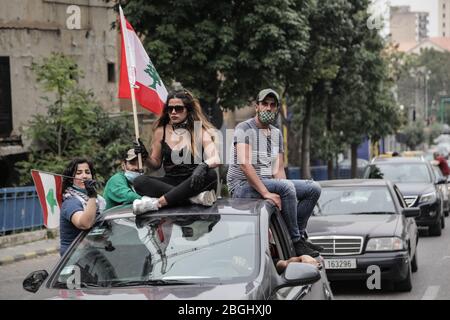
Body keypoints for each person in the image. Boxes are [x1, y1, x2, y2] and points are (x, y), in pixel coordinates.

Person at [227, 88, 322, 257]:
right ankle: (294, 242)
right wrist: (267, 193)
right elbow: (244, 164)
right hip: (242, 186)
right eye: (264, 104)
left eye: (272, 105)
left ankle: (297, 235)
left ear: (277, 109)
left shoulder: (276, 133)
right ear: (257, 106)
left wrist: (282, 189)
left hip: (264, 181)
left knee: (313, 188)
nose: (268, 108)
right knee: (286, 187)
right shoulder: (244, 127)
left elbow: (278, 170)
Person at [132, 89, 220, 214]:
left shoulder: (199, 130)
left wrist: (203, 166)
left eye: (178, 108)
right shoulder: (160, 131)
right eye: (170, 108)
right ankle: (192, 199)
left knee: (211, 174)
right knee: (139, 182)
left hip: (194, 181)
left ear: (187, 110)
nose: (173, 112)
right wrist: (145, 156)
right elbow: (155, 165)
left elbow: (216, 158)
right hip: (171, 181)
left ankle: (158, 203)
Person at [60, 158, 106, 255]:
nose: (84, 176)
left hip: (91, 249)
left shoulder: (98, 200)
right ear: (70, 178)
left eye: (87, 172)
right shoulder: (70, 202)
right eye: (79, 173)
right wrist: (92, 196)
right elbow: (85, 224)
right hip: (74, 255)